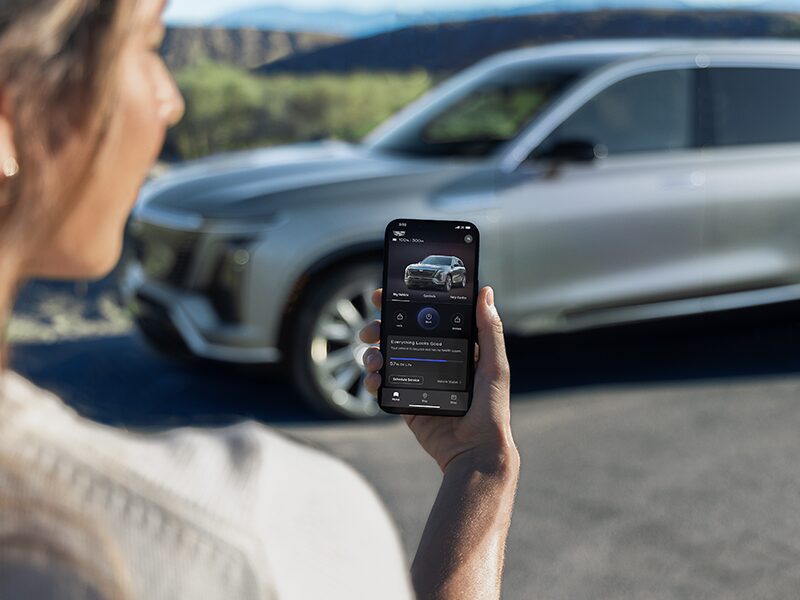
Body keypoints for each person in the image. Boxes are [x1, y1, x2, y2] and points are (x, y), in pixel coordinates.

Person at [0, 0, 521, 598]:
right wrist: (481, 468)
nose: (174, 99)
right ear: (9, 111)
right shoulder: (250, 533)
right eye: (146, 44)